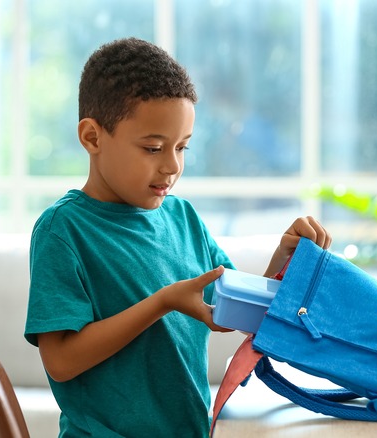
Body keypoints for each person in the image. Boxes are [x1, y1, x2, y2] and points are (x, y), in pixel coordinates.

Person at [24, 37, 332, 437]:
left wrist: (283, 258)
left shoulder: (182, 217)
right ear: (93, 138)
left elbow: (235, 312)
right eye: (153, 148)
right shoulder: (63, 231)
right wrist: (162, 303)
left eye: (182, 147)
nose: (171, 165)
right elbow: (61, 361)